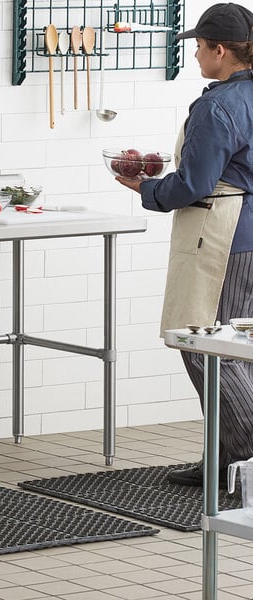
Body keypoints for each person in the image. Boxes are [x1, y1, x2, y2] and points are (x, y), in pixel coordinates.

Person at [116, 3, 253, 488]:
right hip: (250, 232)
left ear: (220, 50)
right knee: (237, 343)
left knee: (206, 344)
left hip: (223, 234)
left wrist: (145, 188)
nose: (195, 55)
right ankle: (225, 460)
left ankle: (242, 459)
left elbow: (194, 183)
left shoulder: (218, 105)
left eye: (198, 47)